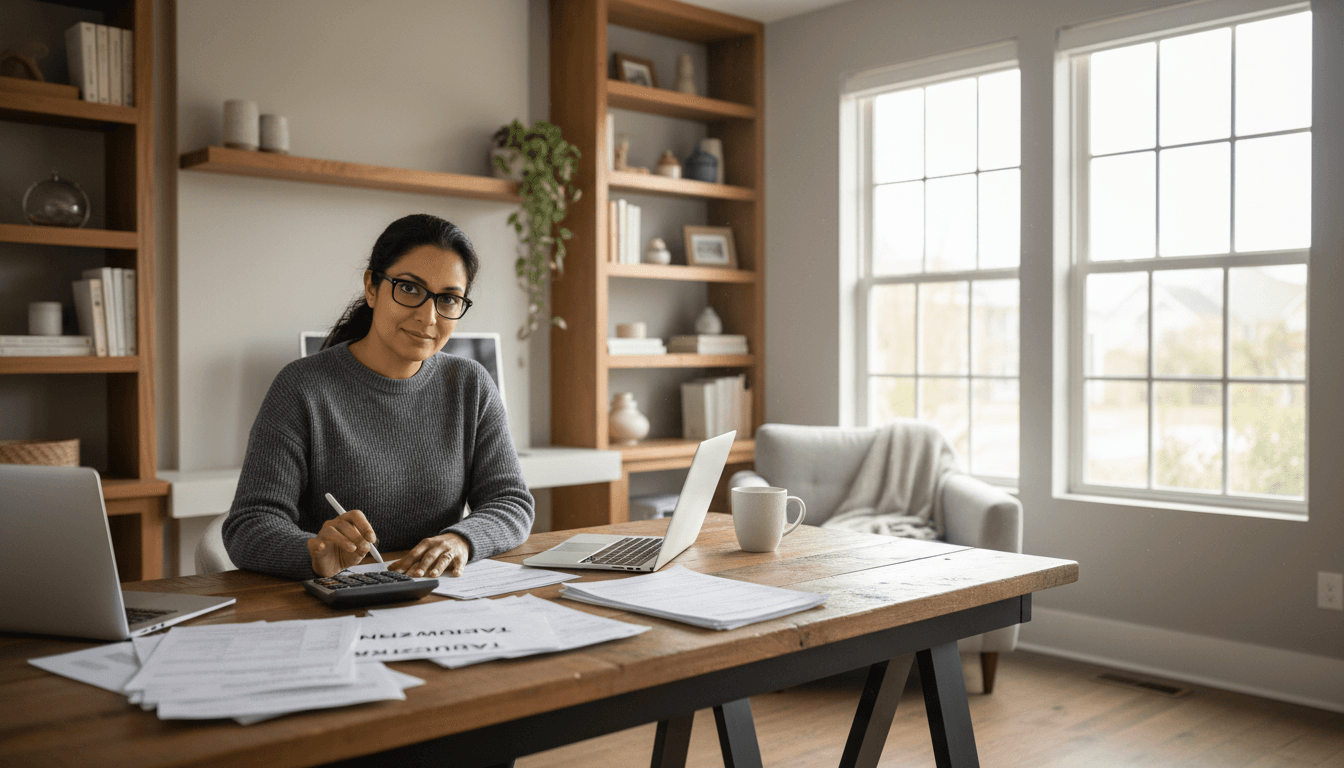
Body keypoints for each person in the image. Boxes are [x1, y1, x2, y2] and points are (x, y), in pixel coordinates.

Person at [223, 213, 534, 581]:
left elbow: (511, 503)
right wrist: (314, 553)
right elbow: (248, 525)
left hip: (439, 599)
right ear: (372, 287)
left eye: (448, 299)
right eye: (409, 289)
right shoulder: (301, 387)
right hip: (335, 603)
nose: (428, 316)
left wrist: (460, 540)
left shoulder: (471, 385)